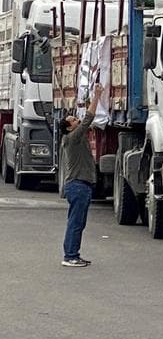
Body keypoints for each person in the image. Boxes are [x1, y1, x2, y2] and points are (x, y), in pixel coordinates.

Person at [57, 83, 103, 268]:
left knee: (78, 222)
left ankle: (73, 254)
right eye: (74, 120)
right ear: (69, 128)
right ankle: (70, 256)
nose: (78, 120)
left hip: (78, 186)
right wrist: (97, 96)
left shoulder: (70, 139)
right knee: (76, 223)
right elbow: (88, 119)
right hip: (78, 186)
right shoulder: (72, 138)